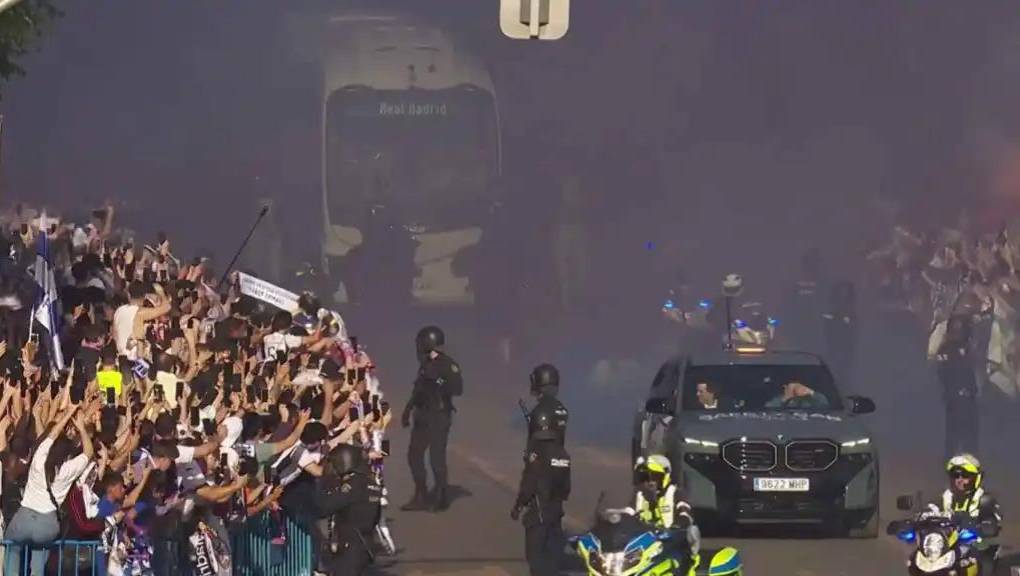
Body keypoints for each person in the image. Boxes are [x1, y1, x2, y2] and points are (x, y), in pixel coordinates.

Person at [5, 404, 94, 575]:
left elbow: (51, 435)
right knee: (40, 553)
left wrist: (66, 415)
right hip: (48, 524)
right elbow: (88, 452)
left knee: (13, 548)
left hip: (24, 518)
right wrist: (82, 428)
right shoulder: (67, 469)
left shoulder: (39, 459)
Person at [401, 326, 462, 512]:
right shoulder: (425, 364)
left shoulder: (448, 364)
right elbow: (418, 389)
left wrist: (438, 380)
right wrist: (407, 410)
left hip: (439, 416)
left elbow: (457, 389)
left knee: (437, 458)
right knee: (414, 455)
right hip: (422, 415)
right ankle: (421, 494)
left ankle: (441, 497)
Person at [510, 407, 571, 576]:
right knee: (552, 559)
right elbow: (566, 490)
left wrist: (518, 506)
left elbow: (528, 485)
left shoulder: (537, 454)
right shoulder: (563, 454)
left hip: (538, 515)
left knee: (535, 559)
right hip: (556, 513)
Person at [315, 444, 382, 576]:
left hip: (350, 546)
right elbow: (377, 516)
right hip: (366, 542)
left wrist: (324, 488)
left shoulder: (351, 485)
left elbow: (324, 508)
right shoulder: (370, 483)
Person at [934, 454, 1001, 573]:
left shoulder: (985, 500)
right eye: (955, 475)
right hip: (945, 550)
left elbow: (993, 522)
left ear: (975, 478)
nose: (959, 480)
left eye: (965, 476)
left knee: (987, 566)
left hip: (977, 551)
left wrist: (987, 525)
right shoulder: (944, 497)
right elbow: (930, 511)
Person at [935, 316, 979, 458]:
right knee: (953, 432)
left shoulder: (967, 349)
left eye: (960, 329)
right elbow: (943, 372)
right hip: (953, 397)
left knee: (969, 431)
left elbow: (970, 373)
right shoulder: (946, 349)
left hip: (968, 397)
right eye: (955, 329)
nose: (957, 333)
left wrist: (971, 391)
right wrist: (953, 390)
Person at [633, 455, 693, 531]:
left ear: (665, 476)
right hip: (644, 539)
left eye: (655, 476)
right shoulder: (639, 495)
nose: (650, 481)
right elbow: (628, 513)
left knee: (693, 531)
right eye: (645, 477)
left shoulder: (675, 493)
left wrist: (681, 521)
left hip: (670, 538)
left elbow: (685, 512)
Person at [526, 364, 568, 449]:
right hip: (560, 456)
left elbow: (535, 443)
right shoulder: (562, 409)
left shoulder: (538, 411)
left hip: (542, 459)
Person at [764, 381, 830, 410]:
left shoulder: (809, 399)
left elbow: (824, 405)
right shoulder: (778, 399)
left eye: (798, 386)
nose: (795, 389)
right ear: (785, 387)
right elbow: (768, 409)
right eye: (793, 386)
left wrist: (810, 392)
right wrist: (786, 397)